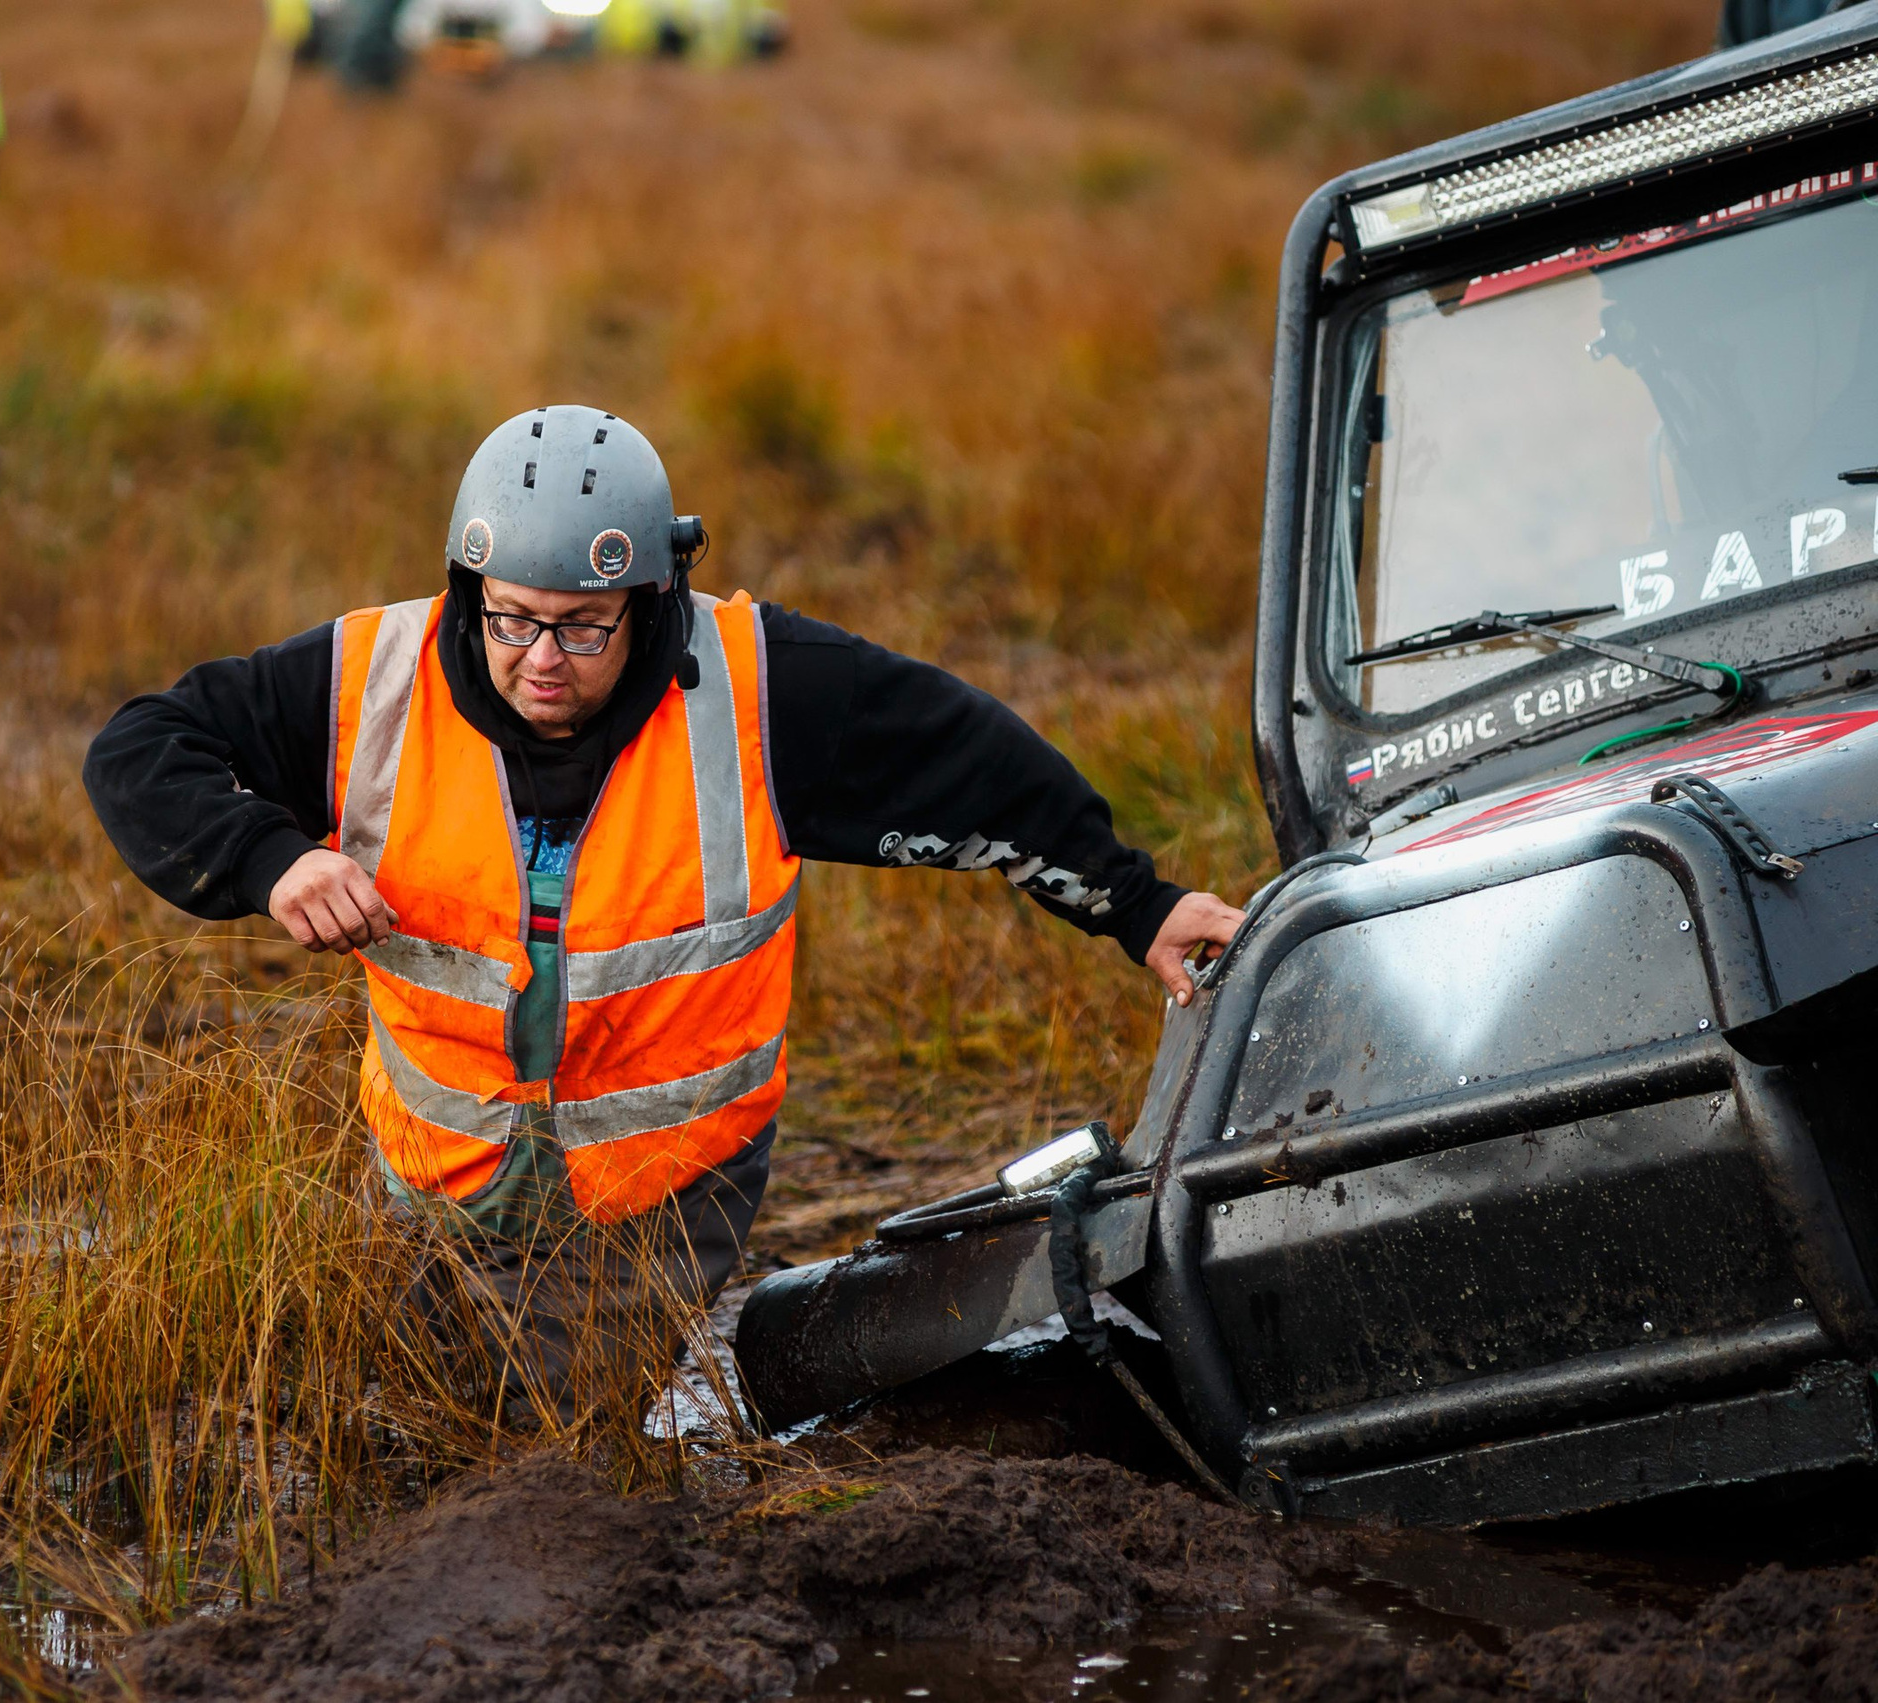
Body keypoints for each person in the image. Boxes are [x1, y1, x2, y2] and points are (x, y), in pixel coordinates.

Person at [84, 406, 1246, 1421]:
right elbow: (140, 746)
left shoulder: (761, 689)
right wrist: (271, 858)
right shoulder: (369, 677)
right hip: (430, 1167)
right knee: (416, 1412)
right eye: (510, 618)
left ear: (651, 598)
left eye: (583, 625)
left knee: (540, 1450)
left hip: (663, 1188)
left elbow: (982, 768)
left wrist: (1136, 904)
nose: (542, 659)